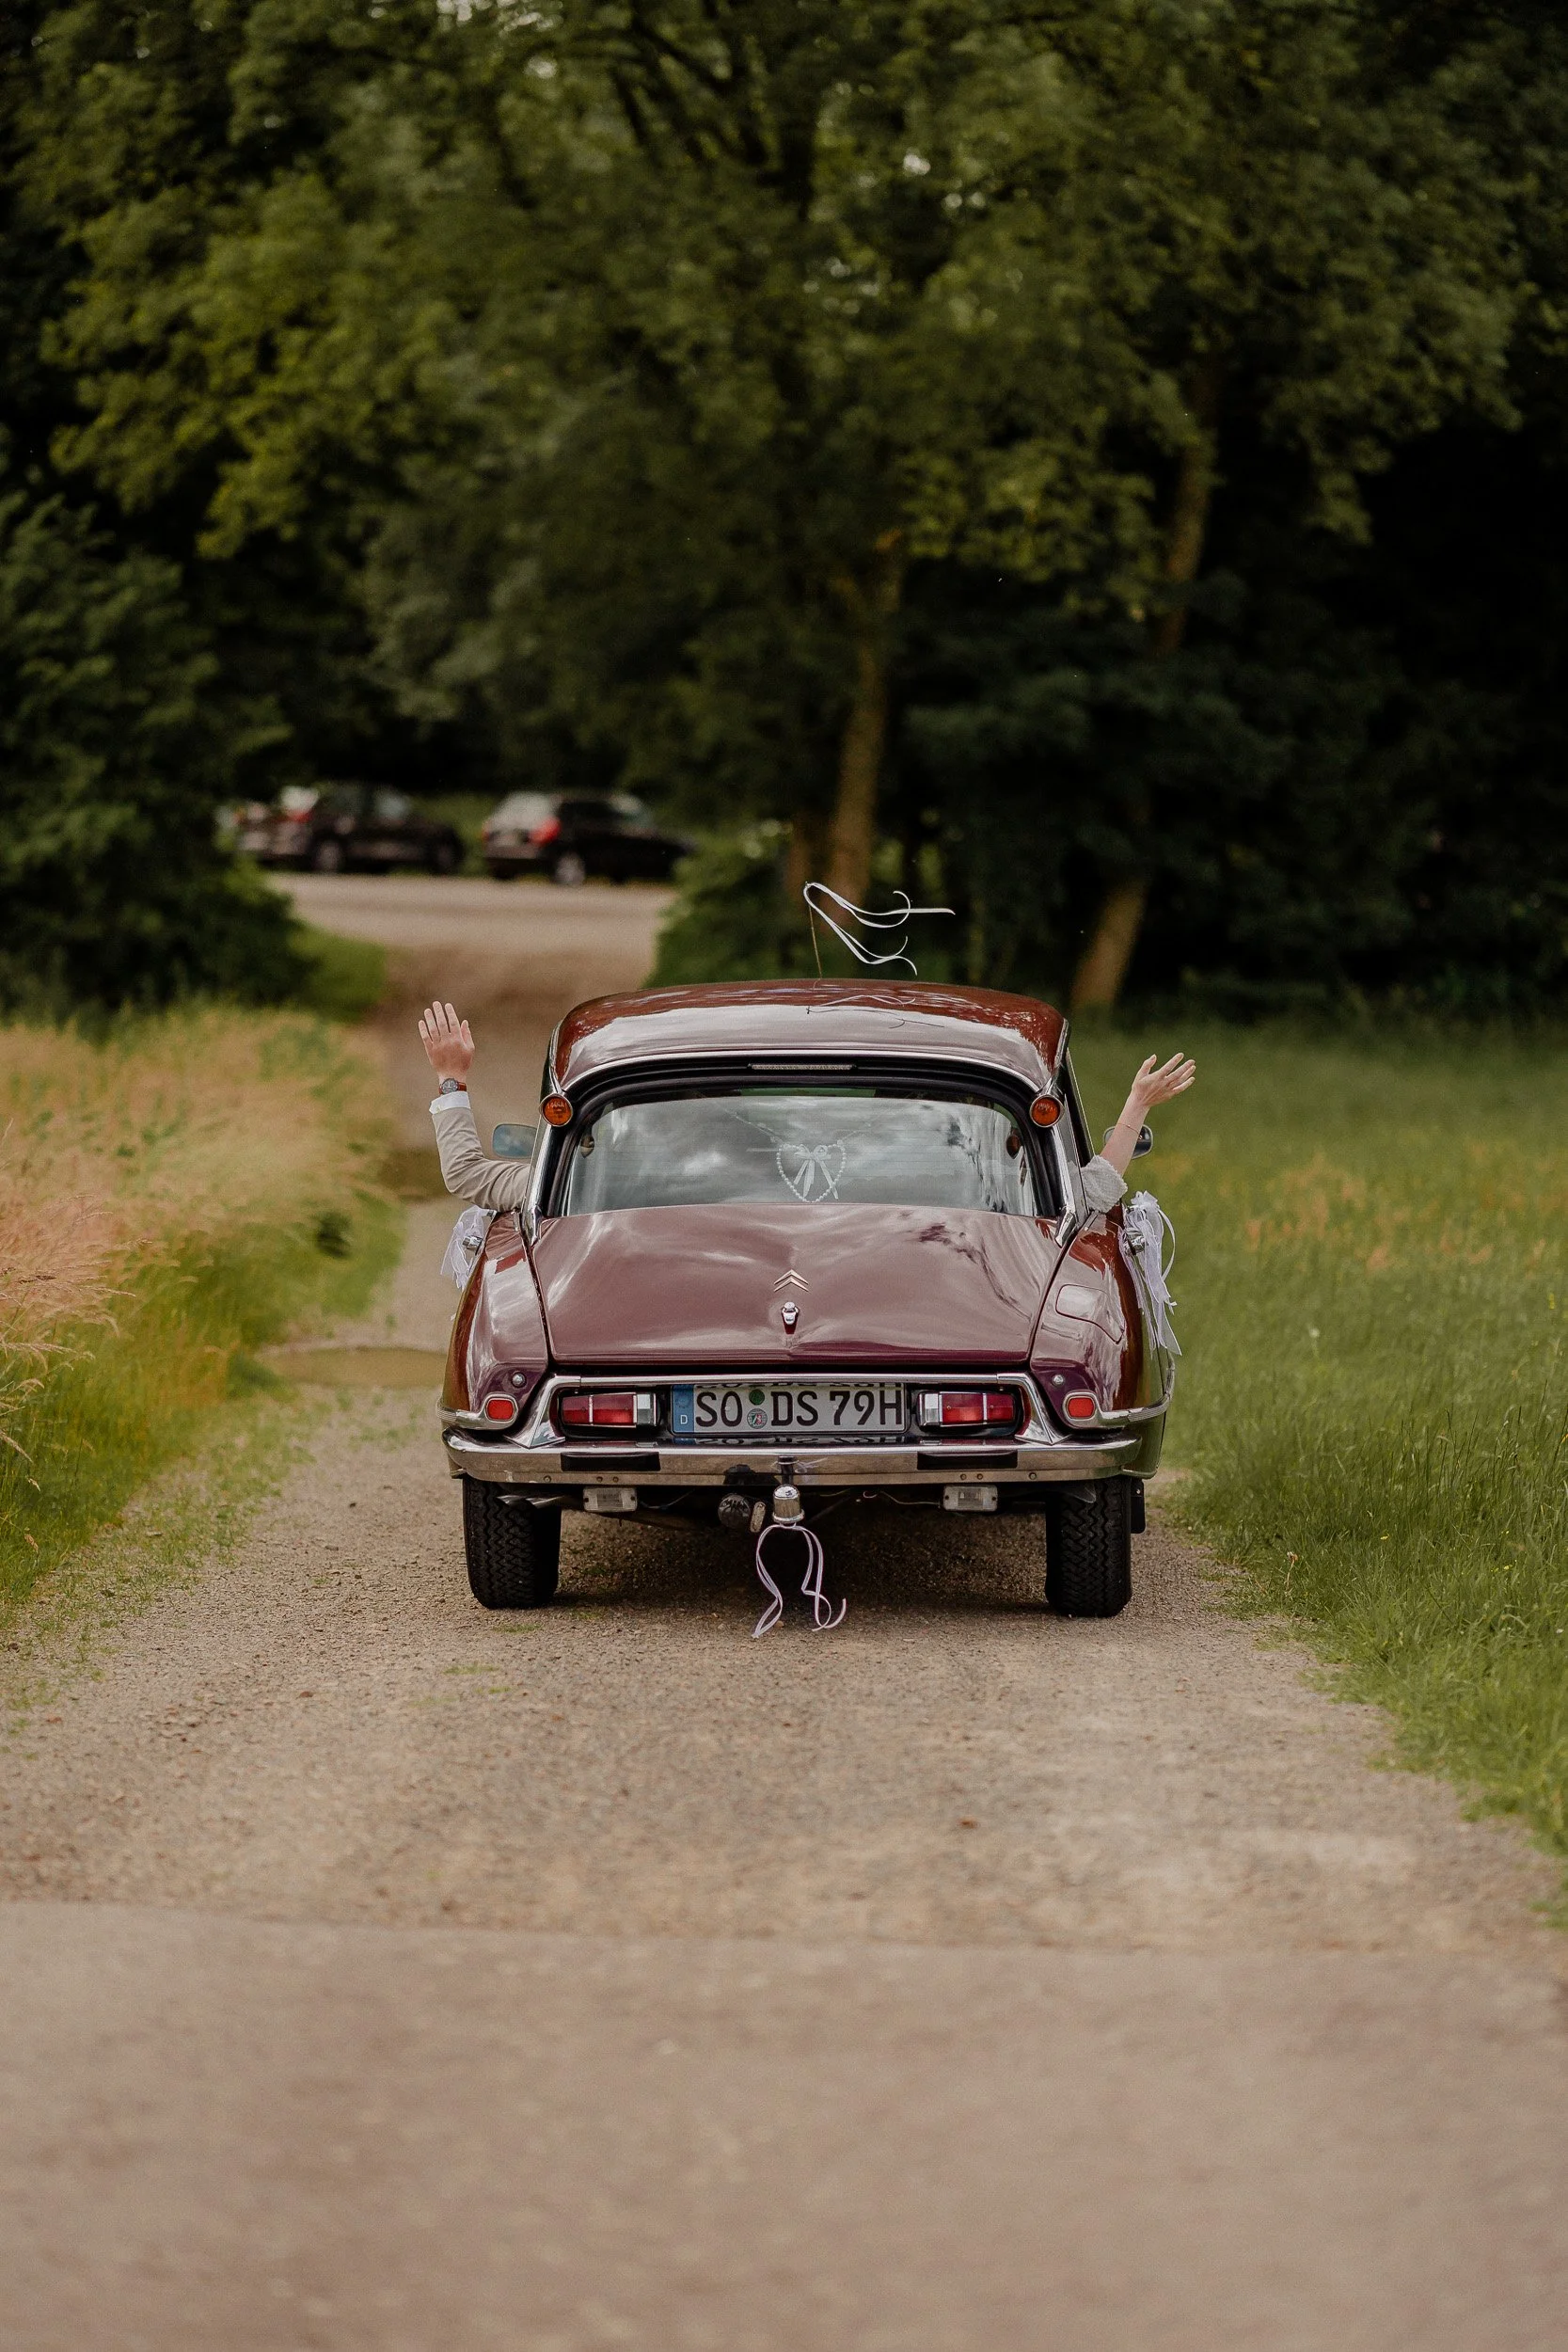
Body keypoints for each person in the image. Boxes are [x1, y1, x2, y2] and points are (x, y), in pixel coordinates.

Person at [418, 998, 1195, 1215]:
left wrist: (454, 1081)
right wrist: (1131, 1108)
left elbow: (466, 1177)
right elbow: (1092, 1192)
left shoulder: (621, 1177)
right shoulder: (953, 1178)